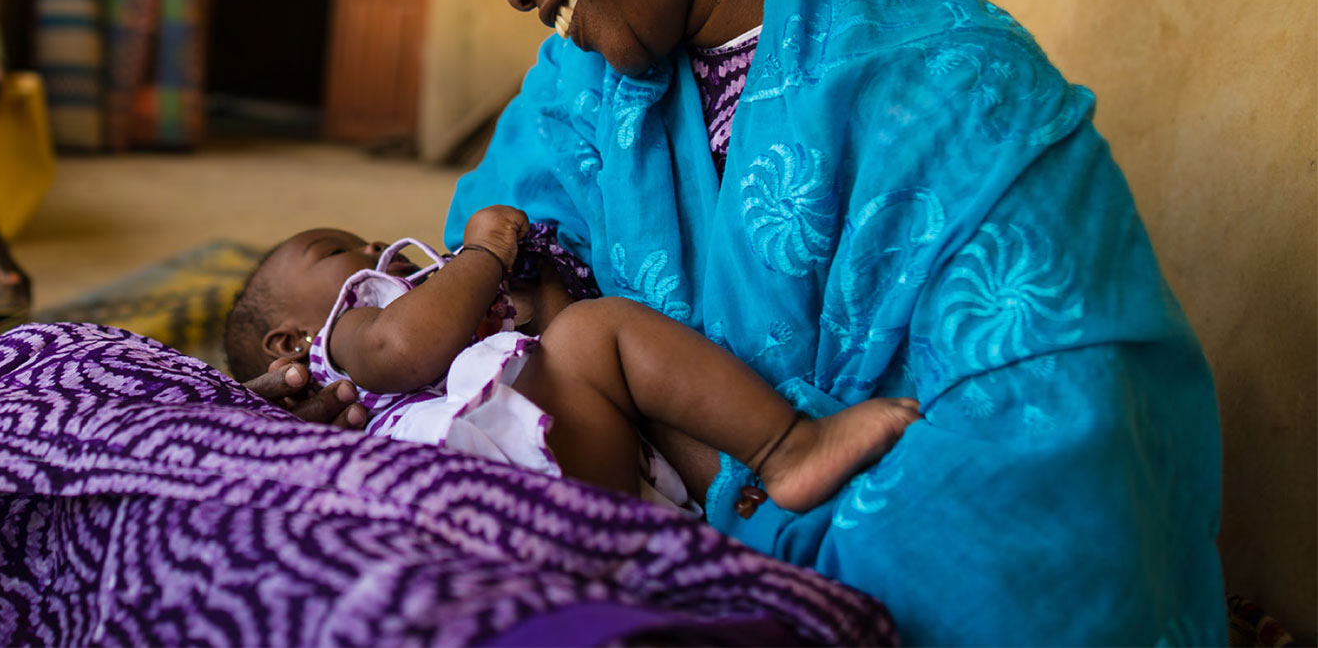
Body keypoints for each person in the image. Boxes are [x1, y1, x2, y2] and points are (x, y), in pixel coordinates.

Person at [250, 0, 1225, 642]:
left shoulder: (961, 105)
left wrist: (708, 511)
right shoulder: (575, 90)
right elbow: (481, 312)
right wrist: (370, 391)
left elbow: (1044, 517)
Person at [225, 205, 922, 514]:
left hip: (536, 479)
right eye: (337, 249)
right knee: (602, 333)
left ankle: (734, 486)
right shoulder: (344, 335)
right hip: (493, 480)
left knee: (593, 355)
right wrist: (482, 255)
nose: (377, 248)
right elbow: (401, 348)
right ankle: (789, 446)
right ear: (289, 344)